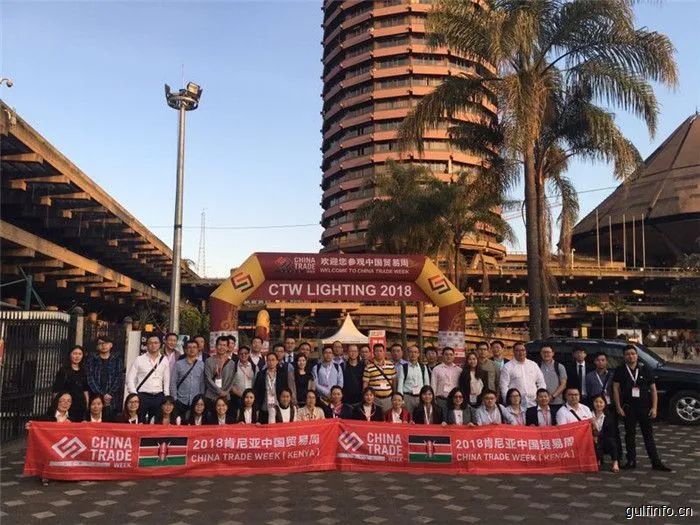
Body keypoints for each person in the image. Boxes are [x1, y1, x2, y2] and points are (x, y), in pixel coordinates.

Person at [613, 345, 671, 471]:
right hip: (628, 407)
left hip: (644, 407)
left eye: (633, 353)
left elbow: (653, 389)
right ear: (624, 356)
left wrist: (654, 408)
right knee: (629, 435)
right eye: (627, 354)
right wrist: (618, 407)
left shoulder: (645, 369)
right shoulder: (620, 370)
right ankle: (631, 461)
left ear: (637, 355)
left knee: (648, 435)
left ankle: (655, 462)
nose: (631, 356)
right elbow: (615, 389)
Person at [125, 335, 170, 422]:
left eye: (156, 343)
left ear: (160, 344)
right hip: (142, 396)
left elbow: (166, 380)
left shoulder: (164, 360)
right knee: (140, 421)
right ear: (147, 345)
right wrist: (134, 394)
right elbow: (130, 378)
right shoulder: (139, 359)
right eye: (150, 343)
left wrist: (166, 397)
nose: (153, 345)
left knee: (156, 422)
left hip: (158, 396)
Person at [499, 342, 546, 408]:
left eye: (523, 350)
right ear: (513, 352)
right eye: (517, 350)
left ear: (526, 351)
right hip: (516, 404)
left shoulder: (533, 365)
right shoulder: (507, 367)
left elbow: (541, 382)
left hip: (534, 403)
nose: (520, 352)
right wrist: (507, 400)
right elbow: (503, 386)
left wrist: (541, 396)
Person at [85, 336, 123, 417]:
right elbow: (90, 377)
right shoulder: (92, 358)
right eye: (100, 343)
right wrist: (101, 394)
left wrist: (110, 393)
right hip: (95, 395)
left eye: (106, 343)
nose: (103, 345)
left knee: (111, 418)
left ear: (111, 345)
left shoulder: (116, 359)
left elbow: (119, 377)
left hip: (112, 396)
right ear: (97, 346)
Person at [52, 345, 89, 421]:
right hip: (66, 404)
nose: (77, 356)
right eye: (75, 353)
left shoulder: (84, 371)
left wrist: (87, 405)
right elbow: (56, 390)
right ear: (70, 355)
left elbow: (85, 390)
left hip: (80, 405)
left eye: (80, 354)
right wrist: (55, 405)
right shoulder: (63, 370)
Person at [171, 339, 205, 416]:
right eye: (189, 347)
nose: (192, 349)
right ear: (185, 350)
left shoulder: (201, 365)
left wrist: (201, 398)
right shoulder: (178, 364)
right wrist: (175, 398)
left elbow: (202, 382)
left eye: (194, 347)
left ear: (198, 350)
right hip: (180, 400)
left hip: (196, 401)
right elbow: (173, 382)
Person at [591, 394, 621, 473]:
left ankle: (615, 462)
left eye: (601, 402)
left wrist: (598, 437)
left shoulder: (609, 416)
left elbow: (611, 432)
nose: (598, 404)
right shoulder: (588, 414)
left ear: (605, 404)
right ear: (593, 403)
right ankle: (596, 460)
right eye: (596, 402)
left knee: (612, 441)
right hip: (591, 439)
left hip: (604, 439)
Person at [204, 336, 236, 409]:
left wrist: (225, 392)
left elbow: (232, 380)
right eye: (220, 345)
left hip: (225, 396)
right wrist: (219, 391)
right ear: (216, 346)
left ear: (227, 347)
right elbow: (208, 379)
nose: (222, 347)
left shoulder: (231, 363)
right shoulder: (209, 361)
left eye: (224, 345)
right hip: (211, 396)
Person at [362, 343, 397, 412]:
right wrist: (365, 397)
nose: (379, 353)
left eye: (381, 351)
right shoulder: (369, 367)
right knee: (375, 417)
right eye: (376, 351)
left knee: (388, 416)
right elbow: (365, 383)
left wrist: (395, 394)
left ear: (384, 352)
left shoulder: (390, 365)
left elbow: (394, 381)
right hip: (375, 399)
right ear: (373, 352)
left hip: (388, 398)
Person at [254, 352, 289, 418]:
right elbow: (256, 391)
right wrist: (256, 407)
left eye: (273, 360)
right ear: (266, 361)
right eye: (269, 360)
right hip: (264, 406)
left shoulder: (282, 374)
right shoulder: (260, 374)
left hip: (278, 406)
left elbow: (285, 389)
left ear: (277, 361)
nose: (271, 362)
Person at [397, 345, 430, 414]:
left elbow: (427, 384)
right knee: (408, 417)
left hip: (420, 397)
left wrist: (427, 397)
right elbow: (400, 385)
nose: (413, 354)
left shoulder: (423, 367)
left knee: (420, 417)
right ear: (408, 354)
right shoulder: (403, 367)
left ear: (418, 354)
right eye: (411, 352)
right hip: (407, 397)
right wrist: (400, 399)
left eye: (415, 352)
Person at [430, 347, 461, 411]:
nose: (448, 356)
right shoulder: (436, 369)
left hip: (455, 401)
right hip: (441, 400)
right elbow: (433, 385)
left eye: (451, 354)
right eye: (446, 354)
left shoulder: (459, 370)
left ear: (454, 356)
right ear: (442, 356)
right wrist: (433, 400)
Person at [231, 345, 257, 410]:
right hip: (237, 398)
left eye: (246, 353)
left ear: (249, 354)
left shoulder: (254, 367)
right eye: (241, 353)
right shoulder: (233, 366)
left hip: (251, 399)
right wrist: (241, 395)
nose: (243, 355)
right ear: (238, 355)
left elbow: (257, 383)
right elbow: (230, 384)